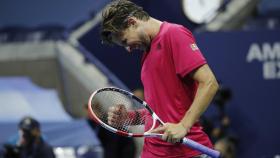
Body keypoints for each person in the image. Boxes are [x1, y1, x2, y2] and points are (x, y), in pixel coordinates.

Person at [100, 1, 219, 157]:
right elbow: (155, 114)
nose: (128, 49)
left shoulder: (173, 34)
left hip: (185, 152)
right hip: (152, 152)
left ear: (132, 22)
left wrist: (184, 125)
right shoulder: (146, 57)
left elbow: (209, 83)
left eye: (125, 41)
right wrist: (126, 118)